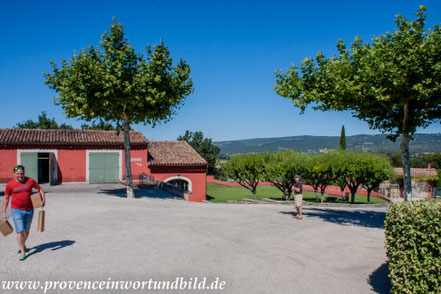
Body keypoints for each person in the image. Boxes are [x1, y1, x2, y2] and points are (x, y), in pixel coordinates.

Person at [2, 165, 46, 261]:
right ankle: (22, 252)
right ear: (14, 174)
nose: (20, 175)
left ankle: (23, 244)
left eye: (21, 173)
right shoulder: (10, 184)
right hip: (16, 210)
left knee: (27, 230)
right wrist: (4, 212)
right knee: (20, 230)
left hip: (29, 209)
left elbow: (40, 189)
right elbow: (6, 198)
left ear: (24, 173)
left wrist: (43, 199)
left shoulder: (30, 181)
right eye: (18, 174)